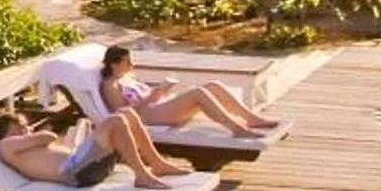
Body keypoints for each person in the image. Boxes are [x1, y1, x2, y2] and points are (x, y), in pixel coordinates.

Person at [96, 43, 281, 137]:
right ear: (114, 64)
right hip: (148, 116)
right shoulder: (110, 85)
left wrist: (162, 91)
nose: (132, 64)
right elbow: (124, 114)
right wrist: (153, 95)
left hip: (158, 107)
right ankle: (236, 128)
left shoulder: (127, 77)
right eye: (127, 62)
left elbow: (144, 96)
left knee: (213, 86)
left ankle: (251, 118)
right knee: (198, 93)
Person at [0, 106, 189, 189]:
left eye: (25, 126)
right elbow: (48, 136)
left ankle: (157, 163)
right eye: (19, 127)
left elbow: (47, 139)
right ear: (6, 132)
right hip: (77, 172)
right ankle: (142, 175)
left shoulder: (23, 145)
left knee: (126, 113)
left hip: (86, 165)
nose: (25, 130)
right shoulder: (6, 145)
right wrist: (33, 133)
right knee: (116, 120)